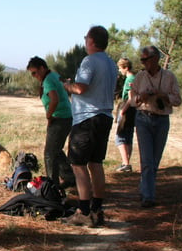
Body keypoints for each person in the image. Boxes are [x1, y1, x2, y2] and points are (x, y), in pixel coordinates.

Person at [62, 25, 117, 227]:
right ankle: (97, 209)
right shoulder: (111, 63)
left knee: (78, 165)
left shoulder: (89, 61)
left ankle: (83, 211)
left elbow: (80, 88)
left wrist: (66, 85)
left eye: (86, 38)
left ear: (92, 41)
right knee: (96, 164)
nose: (85, 41)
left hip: (87, 119)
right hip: (104, 117)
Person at [129, 45, 182, 208]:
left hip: (162, 120)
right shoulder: (139, 77)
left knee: (155, 160)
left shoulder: (169, 76)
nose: (143, 63)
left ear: (155, 58)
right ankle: (148, 196)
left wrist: (164, 97)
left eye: (146, 59)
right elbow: (131, 101)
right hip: (143, 118)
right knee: (147, 159)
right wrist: (141, 97)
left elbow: (178, 100)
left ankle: (145, 187)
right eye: (141, 60)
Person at [27, 56, 75, 188]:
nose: (34, 76)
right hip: (66, 117)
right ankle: (70, 177)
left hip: (59, 118)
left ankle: (51, 186)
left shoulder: (48, 80)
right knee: (57, 150)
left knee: (49, 154)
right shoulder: (54, 75)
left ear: (42, 68)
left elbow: (54, 99)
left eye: (34, 72)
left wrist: (49, 116)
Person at [114, 57, 136, 172]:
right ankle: (126, 162)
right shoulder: (135, 78)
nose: (119, 70)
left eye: (120, 68)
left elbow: (130, 98)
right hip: (134, 110)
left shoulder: (129, 79)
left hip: (127, 109)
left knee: (120, 137)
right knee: (128, 136)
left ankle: (126, 164)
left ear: (126, 68)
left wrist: (123, 111)